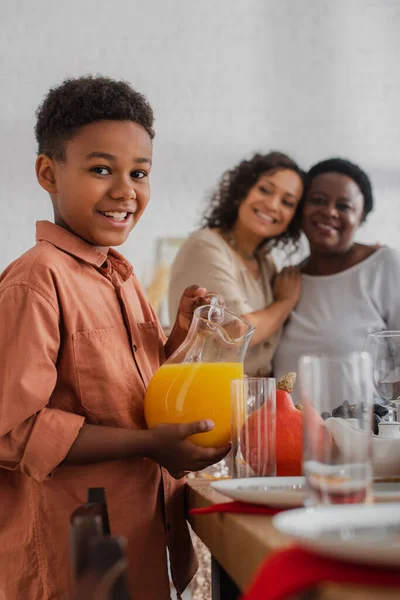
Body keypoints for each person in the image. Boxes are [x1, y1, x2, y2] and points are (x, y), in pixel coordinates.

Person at [0, 75, 230, 600]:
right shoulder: (36, 280)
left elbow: (130, 392)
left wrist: (179, 336)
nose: (126, 190)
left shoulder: (120, 275)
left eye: (140, 172)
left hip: (141, 524)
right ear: (48, 173)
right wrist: (152, 444)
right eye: (101, 169)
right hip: (83, 532)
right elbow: (13, 430)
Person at [274, 158, 400, 405]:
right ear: (301, 209)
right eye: (318, 200)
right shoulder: (288, 281)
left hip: (363, 439)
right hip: (294, 438)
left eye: (344, 206)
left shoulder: (384, 265)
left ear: (361, 217)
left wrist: (383, 421)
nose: (330, 211)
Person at [169, 152, 305, 377]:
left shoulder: (265, 262)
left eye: (287, 202)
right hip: (205, 398)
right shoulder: (205, 246)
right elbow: (237, 329)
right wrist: (286, 301)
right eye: (265, 190)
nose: (272, 204)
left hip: (249, 402)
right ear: (242, 190)